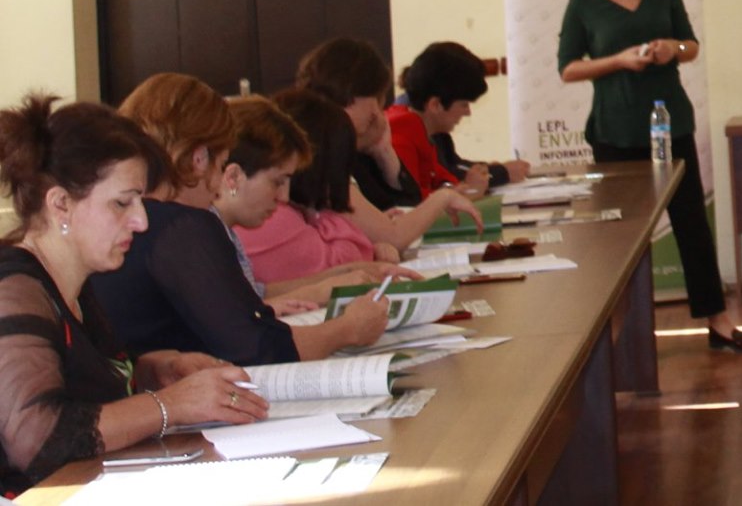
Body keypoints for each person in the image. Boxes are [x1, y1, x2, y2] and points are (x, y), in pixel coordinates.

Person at [0, 94, 265, 494]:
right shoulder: (13, 291)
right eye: (122, 203)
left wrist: (149, 372)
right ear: (61, 205)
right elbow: (38, 440)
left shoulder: (73, 283)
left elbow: (74, 385)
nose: (141, 221)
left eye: (140, 201)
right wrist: (171, 405)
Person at [557, 0, 742, 352]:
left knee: (691, 223)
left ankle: (718, 322)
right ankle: (623, 335)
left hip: (669, 123)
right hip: (614, 130)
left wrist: (673, 48)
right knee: (622, 237)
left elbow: (692, 45)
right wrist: (618, 60)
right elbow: (568, 68)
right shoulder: (584, 3)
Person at [89, 75, 390, 367]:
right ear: (199, 159)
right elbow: (257, 351)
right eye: (221, 165)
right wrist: (348, 329)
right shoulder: (181, 227)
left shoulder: (118, 222)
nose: (217, 187)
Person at [238, 89, 471, 280]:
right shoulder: (276, 216)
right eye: (375, 104)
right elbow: (352, 257)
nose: (379, 116)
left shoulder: (296, 205)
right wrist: (371, 246)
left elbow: (407, 200)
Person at [215, 95, 409, 306]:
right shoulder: (202, 237)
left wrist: (347, 273)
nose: (283, 197)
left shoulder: (224, 232)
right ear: (233, 177)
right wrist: (335, 306)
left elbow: (257, 293)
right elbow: (234, 315)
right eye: (277, 182)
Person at [295, 41, 482, 248]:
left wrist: (385, 154)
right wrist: (443, 198)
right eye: (376, 99)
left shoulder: (353, 149)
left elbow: (405, 207)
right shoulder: (322, 158)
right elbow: (394, 236)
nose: (378, 112)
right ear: (351, 97)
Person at [390, 42, 513, 193]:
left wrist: (481, 173)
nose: (468, 112)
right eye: (464, 104)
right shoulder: (400, 140)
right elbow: (419, 203)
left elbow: (448, 178)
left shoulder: (427, 131)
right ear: (435, 105)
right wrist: (473, 189)